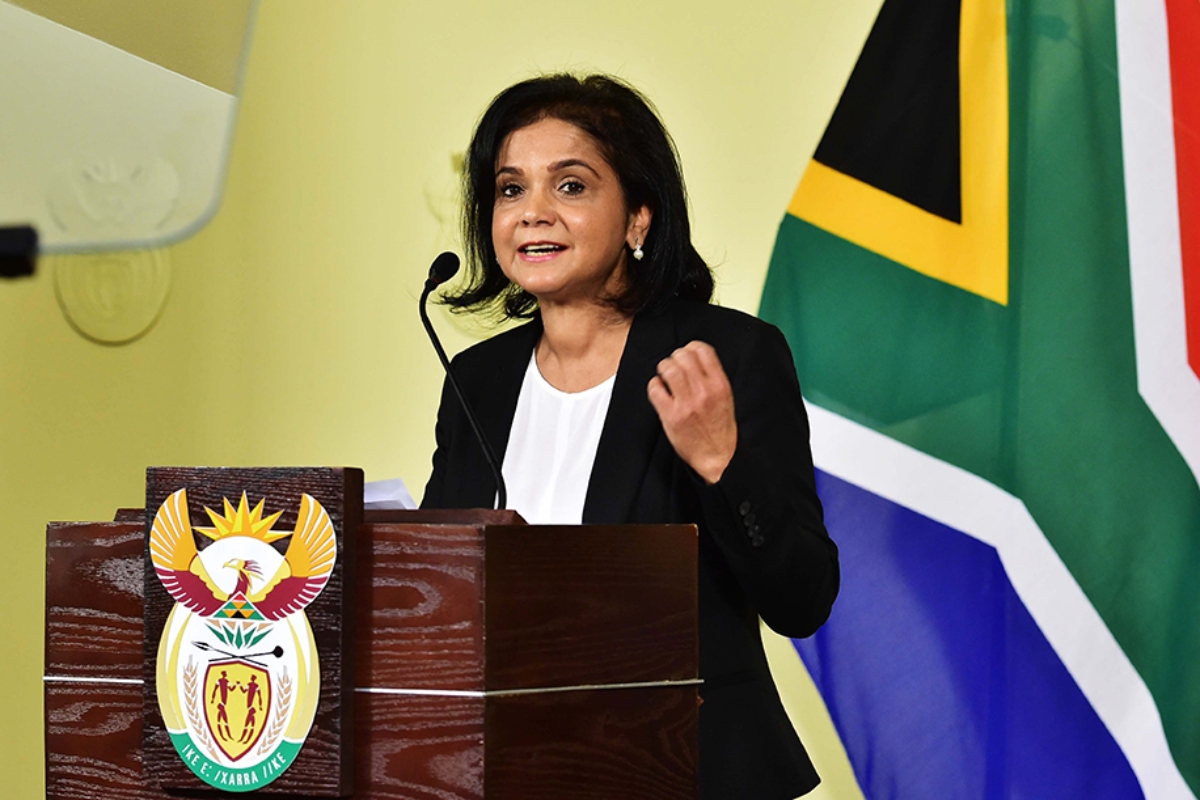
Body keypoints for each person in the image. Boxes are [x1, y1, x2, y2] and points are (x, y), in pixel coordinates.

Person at [421, 73, 839, 800]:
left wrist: (721, 463)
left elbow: (803, 600)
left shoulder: (722, 357)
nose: (532, 214)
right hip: (509, 772)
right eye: (510, 189)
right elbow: (439, 594)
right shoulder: (476, 382)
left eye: (572, 186)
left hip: (687, 770)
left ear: (640, 218)